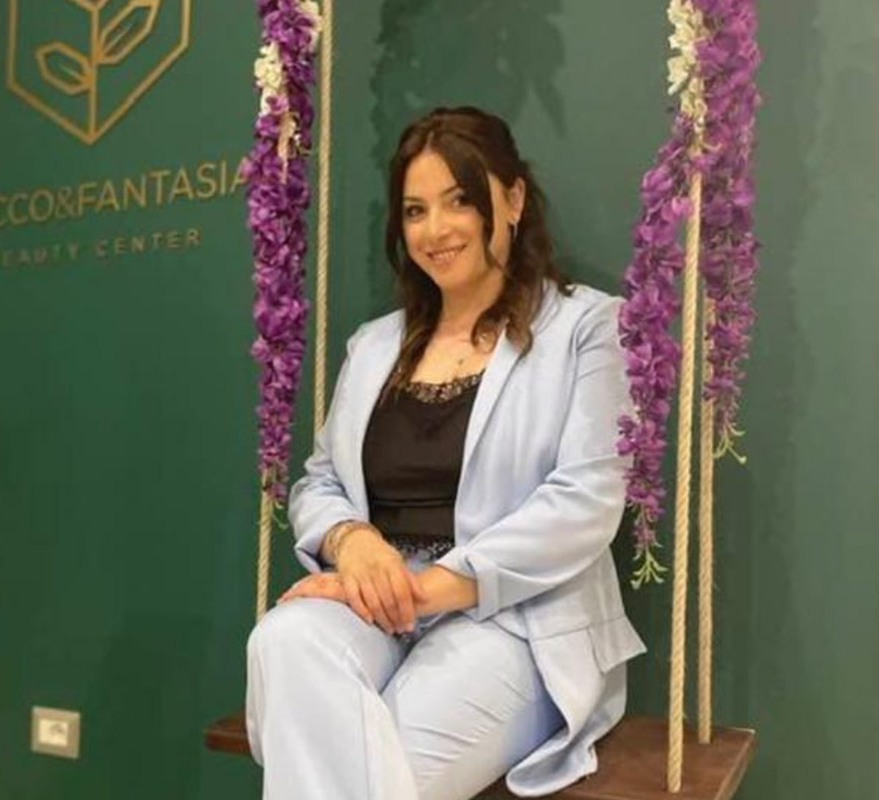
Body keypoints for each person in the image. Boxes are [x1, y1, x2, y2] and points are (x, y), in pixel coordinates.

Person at [245, 106, 645, 800]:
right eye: (415, 210)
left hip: (517, 619)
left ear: (513, 199)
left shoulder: (586, 326)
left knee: (363, 766)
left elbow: (586, 500)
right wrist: (352, 543)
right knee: (283, 640)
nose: (436, 229)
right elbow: (319, 482)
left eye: (460, 200)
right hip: (377, 597)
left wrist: (427, 589)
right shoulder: (374, 345)